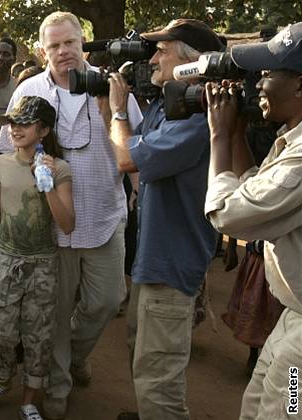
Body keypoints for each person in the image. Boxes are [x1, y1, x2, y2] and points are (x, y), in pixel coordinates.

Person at [0, 12, 143, 419]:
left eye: (70, 43)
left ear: (84, 42)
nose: (63, 52)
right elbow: (7, 152)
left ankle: (75, 354)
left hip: (104, 217)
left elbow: (137, 150)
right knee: (56, 312)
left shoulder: (115, 89)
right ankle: (58, 386)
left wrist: (134, 195)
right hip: (51, 227)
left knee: (106, 301)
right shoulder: (29, 90)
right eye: (54, 45)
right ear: (43, 50)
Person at [106, 19, 223, 420]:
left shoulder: (194, 120)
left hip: (171, 266)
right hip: (153, 260)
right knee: (142, 351)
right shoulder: (169, 106)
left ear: (191, 62)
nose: (153, 57)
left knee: (159, 384)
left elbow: (125, 158)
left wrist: (118, 110)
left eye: (163, 50)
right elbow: (140, 161)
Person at [204, 22, 302, 419]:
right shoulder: (289, 139)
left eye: (268, 74)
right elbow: (253, 187)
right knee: (257, 407)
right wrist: (238, 133)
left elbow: (228, 213)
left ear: (299, 86)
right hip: (291, 321)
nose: (257, 84)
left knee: (286, 410)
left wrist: (219, 139)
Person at [0, 96, 74, 420]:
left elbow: (68, 224)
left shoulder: (59, 168)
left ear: (43, 130)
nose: (15, 129)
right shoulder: (0, 163)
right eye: (13, 122)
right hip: (5, 259)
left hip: (42, 264)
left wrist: (46, 185)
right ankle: (2, 380)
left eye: (24, 123)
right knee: (0, 330)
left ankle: (29, 399)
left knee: (38, 335)